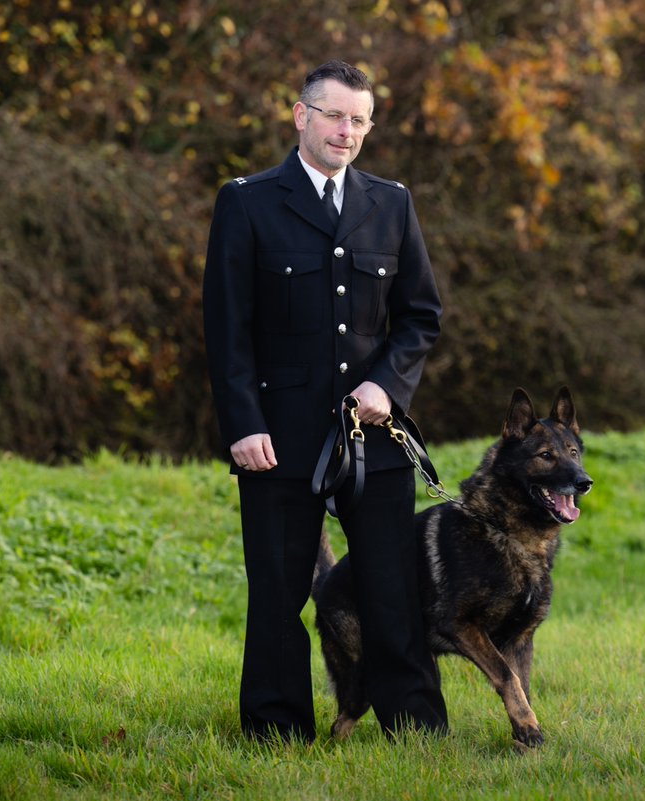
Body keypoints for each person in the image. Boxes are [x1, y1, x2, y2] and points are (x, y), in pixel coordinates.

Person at [201, 60, 448, 744]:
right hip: (278, 433)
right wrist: (242, 424)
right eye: (335, 115)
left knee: (392, 586)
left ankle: (417, 730)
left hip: (374, 432)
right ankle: (277, 731)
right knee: (279, 591)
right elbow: (228, 330)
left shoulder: (390, 202)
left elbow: (421, 316)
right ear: (300, 115)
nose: (347, 130)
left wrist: (388, 385)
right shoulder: (247, 201)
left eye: (360, 119)